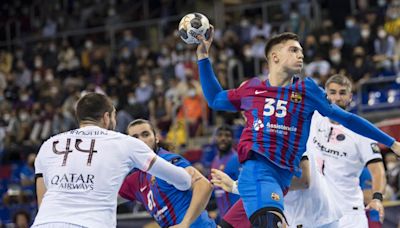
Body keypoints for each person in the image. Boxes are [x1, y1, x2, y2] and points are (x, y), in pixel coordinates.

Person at [196, 29, 400, 227]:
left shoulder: (308, 91)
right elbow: (215, 98)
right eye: (293, 50)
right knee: (270, 222)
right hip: (259, 171)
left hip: (284, 180)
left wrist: (391, 143)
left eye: (301, 51)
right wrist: (204, 57)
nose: (300, 55)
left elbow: (347, 119)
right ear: (274, 57)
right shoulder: (251, 88)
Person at [32, 92, 193, 228]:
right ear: (107, 117)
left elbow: (43, 199)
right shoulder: (125, 142)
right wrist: (187, 176)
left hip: (44, 223)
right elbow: (183, 180)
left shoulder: (48, 145)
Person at [309, 74, 387, 227]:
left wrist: (376, 198)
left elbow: (378, 171)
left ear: (350, 97)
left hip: (349, 215)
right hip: (317, 212)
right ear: (325, 95)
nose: (337, 98)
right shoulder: (313, 119)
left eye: (342, 93)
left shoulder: (362, 132)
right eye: (332, 92)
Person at [118, 119, 215, 228]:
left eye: (145, 134)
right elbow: (108, 197)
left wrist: (185, 224)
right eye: (135, 138)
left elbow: (204, 185)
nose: (141, 140)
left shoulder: (168, 161)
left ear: (156, 138)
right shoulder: (135, 178)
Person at [210, 125, 240, 218]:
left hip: (237, 216)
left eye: (227, 135)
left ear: (233, 139)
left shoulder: (236, 159)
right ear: (215, 138)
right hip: (223, 216)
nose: (223, 138)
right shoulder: (215, 160)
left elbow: (244, 188)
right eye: (220, 135)